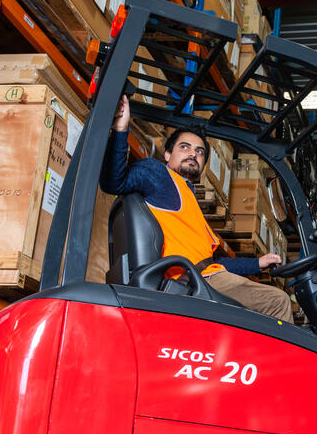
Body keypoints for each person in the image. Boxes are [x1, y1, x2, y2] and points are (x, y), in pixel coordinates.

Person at [100, 95, 293, 322]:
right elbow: (114, 183)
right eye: (185, 147)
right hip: (189, 279)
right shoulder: (159, 175)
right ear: (168, 154)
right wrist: (121, 129)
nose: (193, 153)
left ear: (202, 165)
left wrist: (257, 263)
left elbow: (211, 264)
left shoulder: (188, 199)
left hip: (202, 275)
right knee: (278, 301)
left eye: (200, 152)